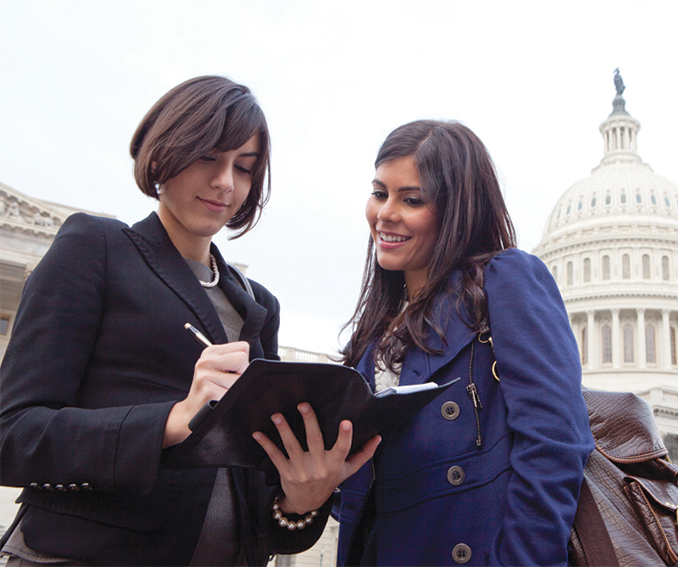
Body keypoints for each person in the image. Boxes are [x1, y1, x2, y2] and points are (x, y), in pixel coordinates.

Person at [0, 76, 378, 567]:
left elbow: (262, 508)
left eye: (244, 168)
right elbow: (13, 434)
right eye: (209, 158)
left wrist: (300, 498)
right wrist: (170, 420)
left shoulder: (258, 305)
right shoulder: (96, 248)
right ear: (162, 153)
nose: (226, 182)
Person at [335, 120, 595, 566]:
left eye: (411, 199)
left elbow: (554, 444)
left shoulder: (506, 281)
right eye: (380, 193)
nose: (385, 213)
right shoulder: (374, 334)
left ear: (456, 210)